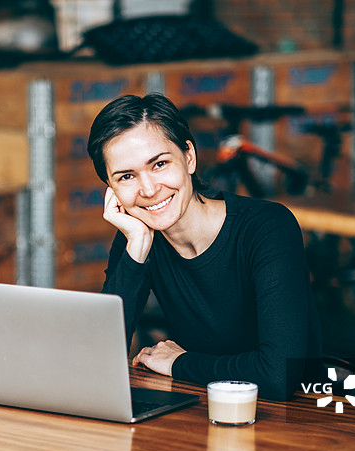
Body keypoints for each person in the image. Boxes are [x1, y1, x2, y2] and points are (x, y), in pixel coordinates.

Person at [87, 93, 322, 401]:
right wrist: (138, 247)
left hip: (298, 417)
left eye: (159, 164)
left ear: (189, 157)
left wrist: (179, 362)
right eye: (126, 176)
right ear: (112, 188)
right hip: (200, 408)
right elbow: (99, 360)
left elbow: (277, 376)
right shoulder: (139, 236)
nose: (148, 190)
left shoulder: (267, 227)